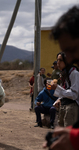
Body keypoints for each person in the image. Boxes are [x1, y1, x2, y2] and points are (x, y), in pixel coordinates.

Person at [43, 5, 79, 150]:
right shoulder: (66, 74)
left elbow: (75, 93)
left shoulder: (74, 73)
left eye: (72, 50)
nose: (69, 58)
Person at [52, 52, 79, 127]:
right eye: (57, 60)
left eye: (60, 60)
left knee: (68, 133)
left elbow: (74, 94)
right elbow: (65, 89)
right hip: (64, 105)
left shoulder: (74, 73)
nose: (58, 62)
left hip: (71, 106)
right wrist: (59, 99)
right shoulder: (64, 73)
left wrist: (57, 88)